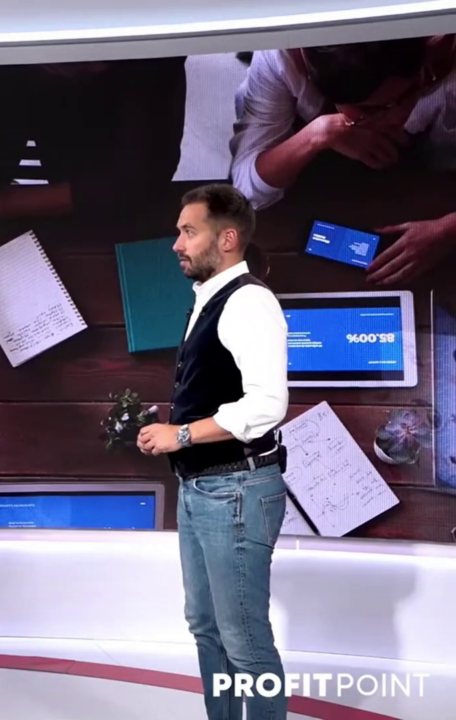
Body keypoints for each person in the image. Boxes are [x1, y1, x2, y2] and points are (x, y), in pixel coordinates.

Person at [0, 59, 188, 394]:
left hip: (93, 188)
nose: (97, 66)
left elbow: (143, 176)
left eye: (101, 58)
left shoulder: (145, 54)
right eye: (85, 60)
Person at [137, 184, 290, 720]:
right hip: (204, 488)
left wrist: (180, 435)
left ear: (227, 239)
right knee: (206, 627)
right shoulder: (209, 298)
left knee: (244, 640)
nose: (176, 244)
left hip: (237, 490)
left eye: (188, 232)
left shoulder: (249, 301)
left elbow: (267, 405)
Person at [229, 36, 456, 285]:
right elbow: (246, 190)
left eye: (407, 94)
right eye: (370, 110)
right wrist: (319, 134)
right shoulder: (281, 57)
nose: (395, 117)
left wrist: (447, 230)